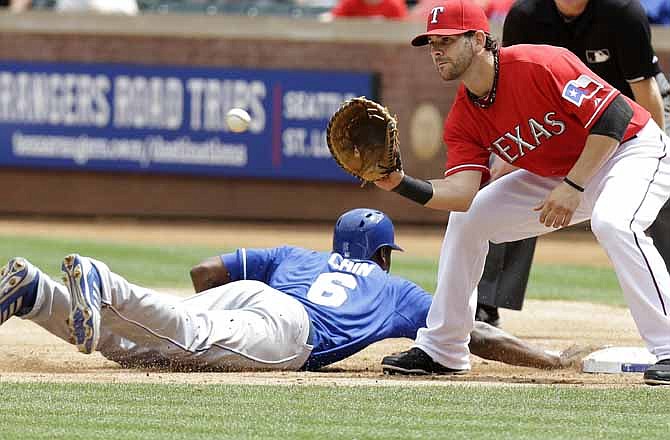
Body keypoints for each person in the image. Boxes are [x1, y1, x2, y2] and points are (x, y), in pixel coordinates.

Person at [372, 0, 670, 385]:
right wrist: (399, 182)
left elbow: (614, 118)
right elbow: (462, 194)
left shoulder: (538, 63)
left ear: (478, 39)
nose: (436, 50)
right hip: (563, 170)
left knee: (614, 223)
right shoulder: (464, 117)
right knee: (469, 217)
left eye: (446, 40)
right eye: (431, 43)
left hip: (631, 149)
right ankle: (443, 348)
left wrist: (574, 185)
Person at [0, 208, 584, 372]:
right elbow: (471, 331)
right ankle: (107, 283)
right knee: (190, 339)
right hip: (293, 330)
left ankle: (37, 295)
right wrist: (550, 360)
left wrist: (212, 303)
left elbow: (206, 270)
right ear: (382, 253)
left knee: (138, 350)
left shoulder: (296, 254)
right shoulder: (394, 286)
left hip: (255, 294)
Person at [475, 0, 670, 328]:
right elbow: (516, 94)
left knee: (657, 191)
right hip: (566, 117)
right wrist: (513, 155)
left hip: (639, 111)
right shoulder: (526, 17)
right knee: (511, 186)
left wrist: (655, 157)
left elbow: (645, 94)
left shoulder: (622, 12)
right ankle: (486, 302)